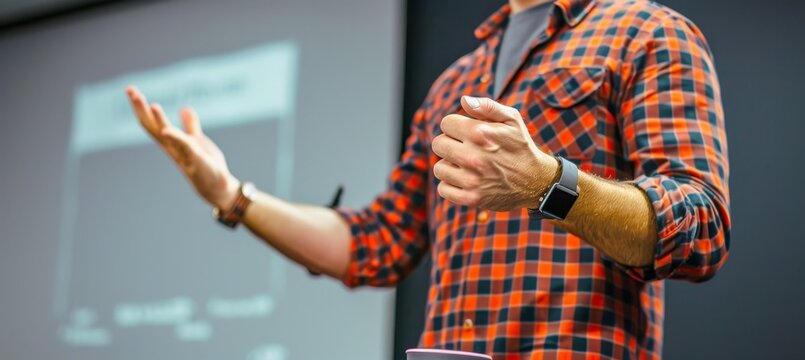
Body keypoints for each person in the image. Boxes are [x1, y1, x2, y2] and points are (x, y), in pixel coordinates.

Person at [125, 0, 730, 358]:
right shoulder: (455, 81)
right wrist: (233, 196)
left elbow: (700, 226)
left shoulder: (648, 33)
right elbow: (376, 244)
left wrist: (547, 183)